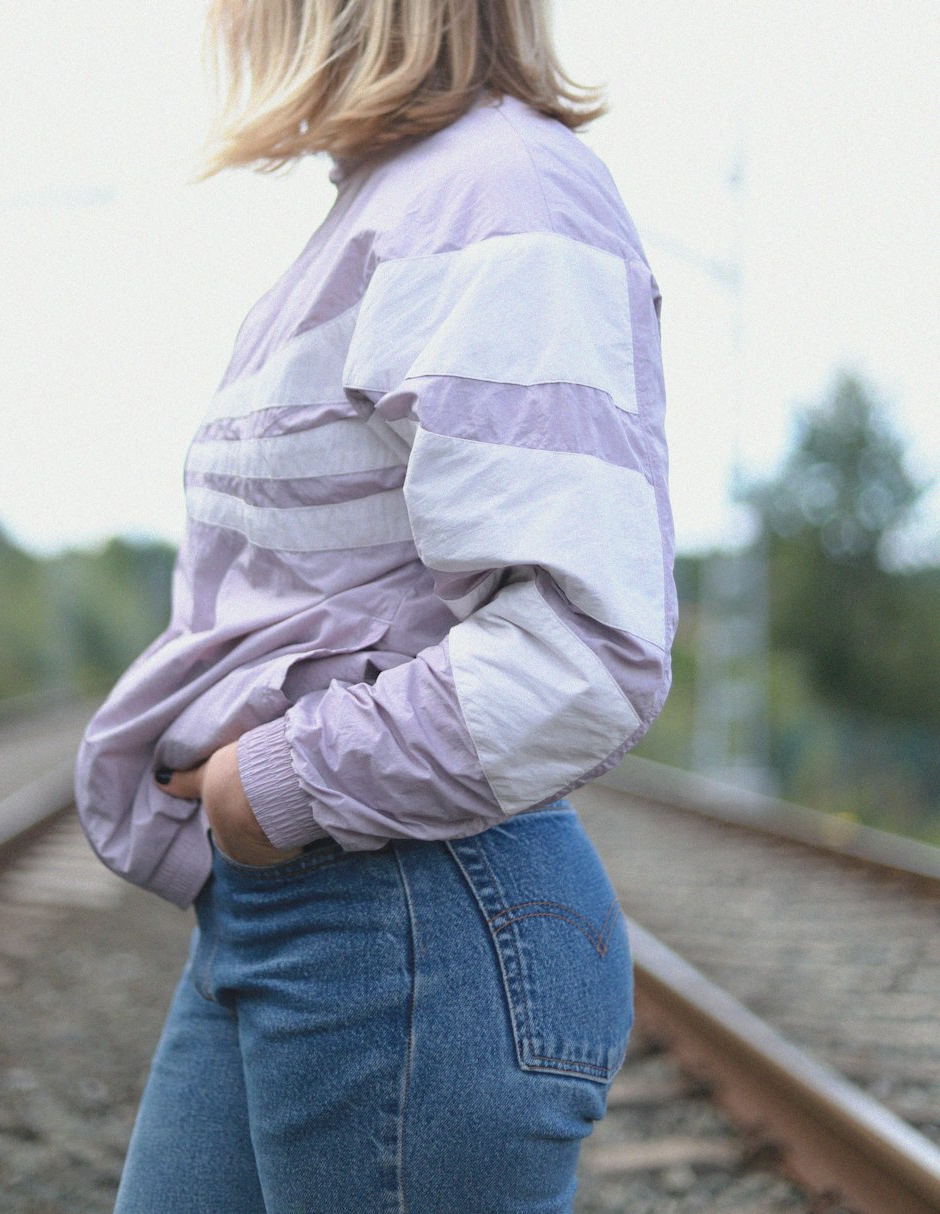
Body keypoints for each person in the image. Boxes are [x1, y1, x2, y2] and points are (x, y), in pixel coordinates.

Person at [75, 1, 677, 1209]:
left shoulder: (502, 200)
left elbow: (583, 643)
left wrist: (277, 779)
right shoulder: (400, 202)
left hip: (404, 919)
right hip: (311, 910)